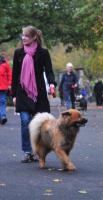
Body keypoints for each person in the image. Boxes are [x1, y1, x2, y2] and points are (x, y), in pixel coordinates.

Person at [11, 25, 56, 163]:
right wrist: (13, 95)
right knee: (25, 121)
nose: (23, 38)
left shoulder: (43, 53)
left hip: (39, 93)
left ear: (34, 37)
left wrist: (52, 83)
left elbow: (49, 70)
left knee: (40, 124)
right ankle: (27, 152)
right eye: (22, 35)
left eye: (26, 36)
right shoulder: (18, 53)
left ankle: (38, 150)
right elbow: (15, 75)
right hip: (23, 92)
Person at [0, 55, 12, 125]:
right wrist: (9, 84)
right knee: (2, 102)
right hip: (4, 87)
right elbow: (10, 75)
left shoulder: (6, 66)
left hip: (3, 87)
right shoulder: (6, 65)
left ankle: (2, 116)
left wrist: (9, 84)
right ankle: (3, 116)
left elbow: (9, 75)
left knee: (2, 102)